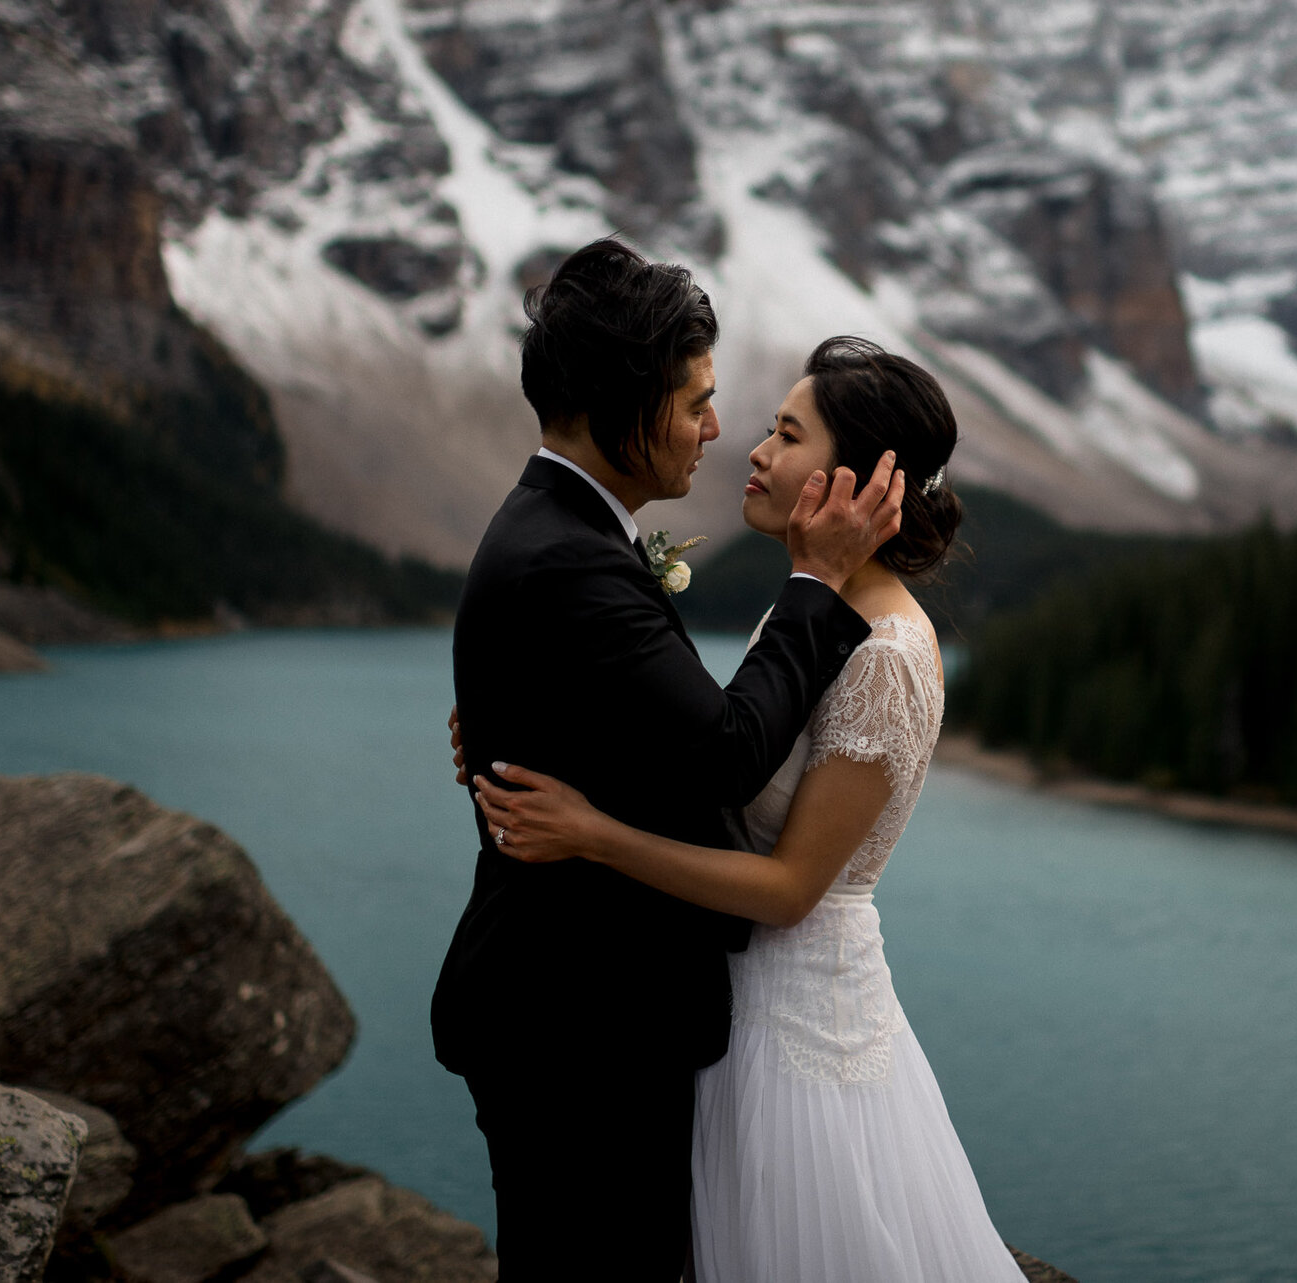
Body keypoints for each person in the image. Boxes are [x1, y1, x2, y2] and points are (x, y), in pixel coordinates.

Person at [471, 337, 1028, 1283]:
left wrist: (594, 835)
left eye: (786, 433)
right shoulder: (807, 606)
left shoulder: (888, 651)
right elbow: (706, 757)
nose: (753, 451)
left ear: (856, 479)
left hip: (801, 1032)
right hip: (731, 1013)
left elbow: (788, 888)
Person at [433, 242, 905, 1283]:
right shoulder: (570, 557)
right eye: (693, 401)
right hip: (581, 1033)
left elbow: (614, 728)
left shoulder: (559, 532)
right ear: (625, 399)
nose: (712, 428)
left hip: (566, 1016)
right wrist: (817, 582)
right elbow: (724, 754)